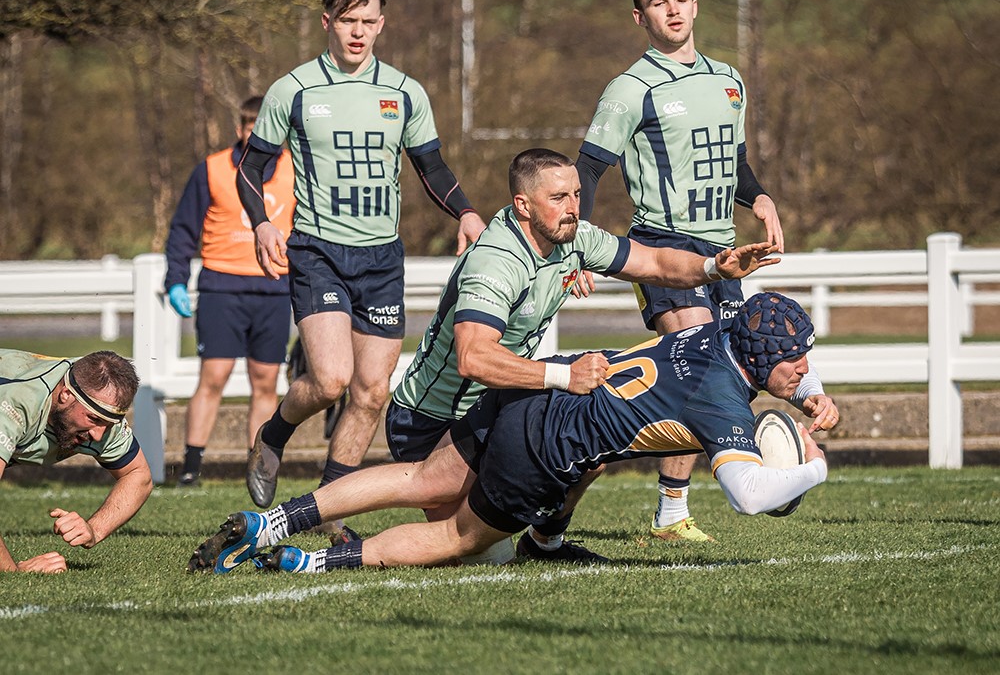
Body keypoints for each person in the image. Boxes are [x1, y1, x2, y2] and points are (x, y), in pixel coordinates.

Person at [186, 149, 781, 573]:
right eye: (560, 198)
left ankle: (546, 541)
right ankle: (294, 542)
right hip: (432, 414)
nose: (574, 205)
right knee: (459, 540)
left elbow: (650, 262)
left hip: (502, 401)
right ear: (523, 205)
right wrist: (561, 375)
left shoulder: (570, 234)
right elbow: (473, 357)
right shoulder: (498, 260)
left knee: (593, 436)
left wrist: (712, 268)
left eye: (576, 193)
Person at [188, 292, 830, 574]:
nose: (805, 368)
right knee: (456, 538)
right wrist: (813, 469)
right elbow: (748, 494)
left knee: (419, 480)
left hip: (534, 393)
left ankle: (271, 523)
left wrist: (808, 395)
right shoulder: (722, 401)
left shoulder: (720, 330)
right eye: (798, 357)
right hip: (547, 449)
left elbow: (771, 368)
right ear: (762, 353)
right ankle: (312, 560)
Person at [575, 0, 838, 542]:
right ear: (639, 16)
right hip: (663, 247)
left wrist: (762, 199)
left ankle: (668, 509)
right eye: (658, 3)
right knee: (699, 366)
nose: (673, 10)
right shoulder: (628, 89)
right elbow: (588, 172)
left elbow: (736, 166)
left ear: (695, 5)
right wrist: (574, 250)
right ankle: (672, 507)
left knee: (723, 367)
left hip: (724, 253)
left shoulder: (729, 78)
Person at [235, 0, 487, 521]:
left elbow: (431, 166)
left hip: (381, 258)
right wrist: (261, 223)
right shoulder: (293, 89)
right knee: (330, 381)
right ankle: (273, 435)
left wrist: (466, 211)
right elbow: (251, 168)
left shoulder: (403, 91)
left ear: (381, 26)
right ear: (327, 22)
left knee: (372, 393)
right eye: (348, 21)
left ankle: (330, 514)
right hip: (318, 251)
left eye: (369, 22)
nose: (358, 32)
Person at [164, 95, 295, 487]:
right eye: (250, 128)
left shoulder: (297, 170)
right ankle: (190, 467)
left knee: (265, 381)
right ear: (240, 129)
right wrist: (175, 279)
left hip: (274, 288)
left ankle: (255, 466)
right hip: (222, 287)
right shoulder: (211, 169)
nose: (257, 136)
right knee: (214, 376)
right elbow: (183, 230)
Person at [0, 349, 151, 573]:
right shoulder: (17, 404)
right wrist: (13, 571)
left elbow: (138, 477)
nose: (99, 435)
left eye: (109, 423)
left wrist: (94, 529)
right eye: (93, 419)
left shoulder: (96, 407)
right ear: (66, 395)